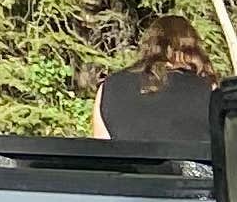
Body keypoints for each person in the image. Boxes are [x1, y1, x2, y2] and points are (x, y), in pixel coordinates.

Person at [90, 11, 216, 147]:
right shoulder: (210, 90)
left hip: (131, 167)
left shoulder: (109, 87)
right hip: (192, 167)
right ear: (193, 49)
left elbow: (102, 149)